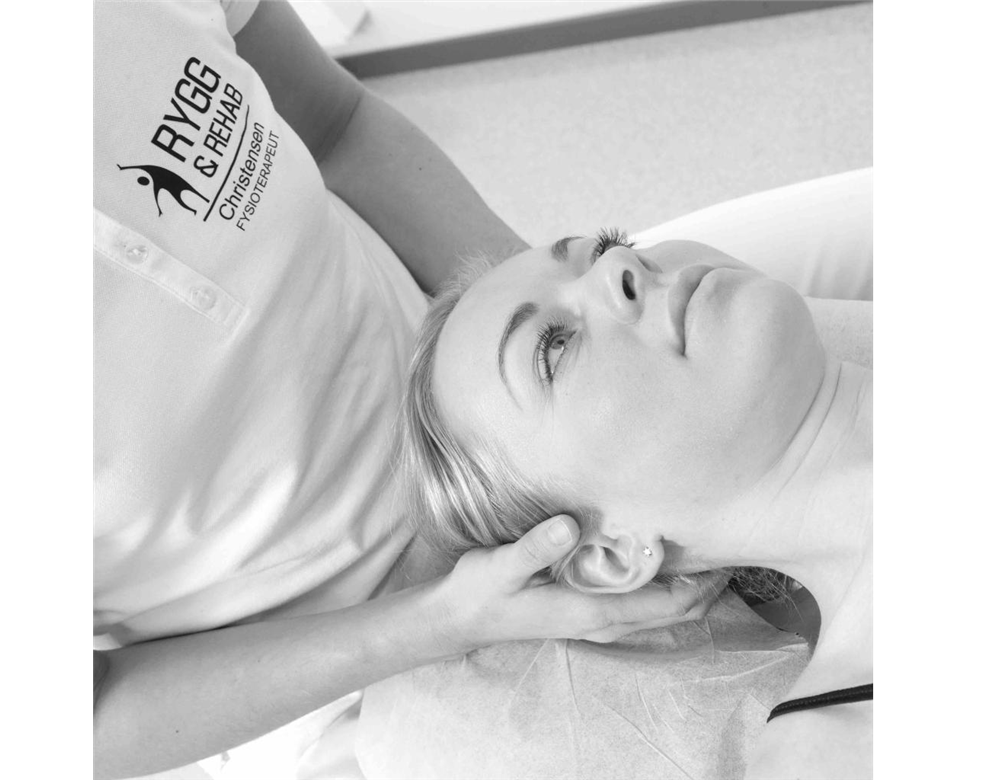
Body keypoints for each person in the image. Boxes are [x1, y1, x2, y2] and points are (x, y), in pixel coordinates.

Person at [92, 2, 720, 778]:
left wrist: (561, 335)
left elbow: (339, 127)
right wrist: (442, 620)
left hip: (530, 433)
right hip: (334, 682)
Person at [399, 231, 874, 777]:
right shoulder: (833, 755)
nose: (620, 265)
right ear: (612, 554)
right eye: (554, 347)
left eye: (606, 246)